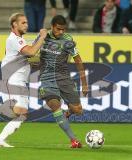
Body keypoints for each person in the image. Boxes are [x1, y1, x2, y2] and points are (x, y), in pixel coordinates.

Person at [0, 13, 47, 147]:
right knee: (19, 113)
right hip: (11, 79)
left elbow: (28, 57)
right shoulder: (14, 39)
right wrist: (42, 37)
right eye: (23, 23)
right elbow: (31, 52)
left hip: (20, 80)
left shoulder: (20, 40)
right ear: (15, 24)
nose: (26, 25)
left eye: (26, 22)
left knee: (20, 115)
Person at [39, 15, 88, 148]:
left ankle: (67, 114)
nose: (61, 32)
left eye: (63, 29)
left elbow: (78, 60)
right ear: (52, 26)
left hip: (63, 77)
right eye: (58, 29)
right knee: (54, 105)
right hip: (47, 77)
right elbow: (32, 53)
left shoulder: (67, 41)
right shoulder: (43, 37)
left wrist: (85, 84)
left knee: (78, 110)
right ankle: (74, 140)